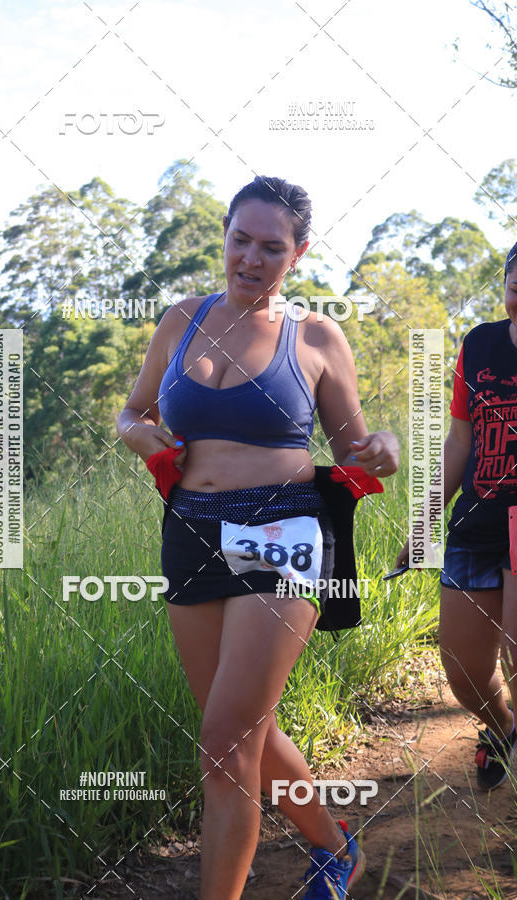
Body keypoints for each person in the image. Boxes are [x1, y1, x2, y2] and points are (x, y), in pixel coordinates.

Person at [117, 175, 399, 899]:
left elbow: (356, 444)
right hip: (190, 530)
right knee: (238, 728)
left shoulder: (316, 337)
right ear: (225, 235)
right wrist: (135, 434)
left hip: (284, 529)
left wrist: (383, 451)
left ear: (298, 253)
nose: (250, 258)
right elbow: (132, 410)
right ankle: (335, 847)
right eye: (239, 239)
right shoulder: (181, 318)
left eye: (270, 247)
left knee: (223, 745)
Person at [396, 241, 517, 791]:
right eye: (516, 284)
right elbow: (459, 440)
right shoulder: (480, 345)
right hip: (475, 521)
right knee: (464, 673)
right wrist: (423, 525)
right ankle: (500, 728)